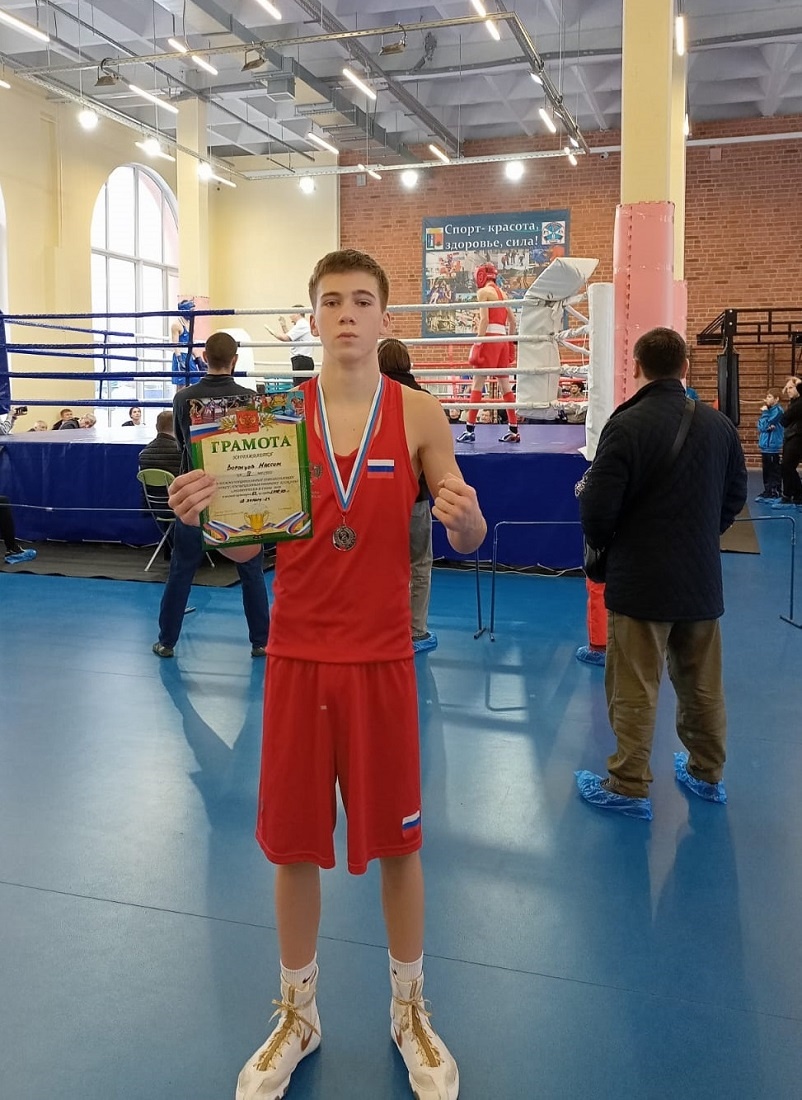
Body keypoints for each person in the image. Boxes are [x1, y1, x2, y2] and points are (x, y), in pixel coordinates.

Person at [168, 249, 486, 1100]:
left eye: (362, 300)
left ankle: (409, 1010)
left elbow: (466, 534)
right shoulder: (270, 418)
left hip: (381, 662)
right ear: (313, 317)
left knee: (400, 845)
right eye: (333, 301)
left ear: (384, 317)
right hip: (298, 660)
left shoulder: (419, 414)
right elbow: (248, 550)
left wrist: (467, 520)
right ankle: (298, 1012)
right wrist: (206, 518)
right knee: (295, 845)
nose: (347, 313)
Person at [575, 327, 747, 820]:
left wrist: (612, 544)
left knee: (634, 685)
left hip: (641, 580)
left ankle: (628, 784)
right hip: (700, 578)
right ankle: (707, 772)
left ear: (636, 367)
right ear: (685, 368)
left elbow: (597, 508)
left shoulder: (626, 424)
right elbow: (736, 494)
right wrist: (701, 533)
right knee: (702, 684)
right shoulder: (719, 427)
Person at [152, 331, 270, 659]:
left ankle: (167, 641)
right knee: (251, 571)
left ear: (204, 357)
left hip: (197, 496)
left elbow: (181, 441)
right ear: (235, 359)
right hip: (239, 496)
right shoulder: (249, 398)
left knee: (182, 571)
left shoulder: (184, 398)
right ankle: (261, 641)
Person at [378, 336, 438, 655]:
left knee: (379, 564)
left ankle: (383, 627)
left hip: (376, 499)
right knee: (420, 563)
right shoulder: (424, 400)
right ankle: (416, 630)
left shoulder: (370, 400)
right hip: (416, 498)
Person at [456, 262, 520, 444]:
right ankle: (513, 430)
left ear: (481, 275)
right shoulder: (503, 294)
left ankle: (469, 430)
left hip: (490, 339)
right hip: (503, 340)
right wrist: (510, 342)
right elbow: (513, 322)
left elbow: (484, 320)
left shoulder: (483, 292)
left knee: (477, 383)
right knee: (505, 385)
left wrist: (478, 342)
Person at [266, 306, 315, 386]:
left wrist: (272, 332)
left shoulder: (301, 324)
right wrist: (283, 325)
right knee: (300, 386)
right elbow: (291, 337)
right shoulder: (301, 324)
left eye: (292, 313)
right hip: (301, 360)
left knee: (301, 387)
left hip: (302, 360)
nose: (290, 316)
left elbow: (285, 338)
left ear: (298, 313)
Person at [773, 376, 802, 509]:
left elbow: (785, 419)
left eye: (791, 388)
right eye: (787, 388)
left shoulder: (800, 402)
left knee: (787, 466)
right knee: (787, 467)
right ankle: (795, 495)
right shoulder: (794, 402)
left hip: (798, 438)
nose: (788, 390)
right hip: (791, 436)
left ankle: (791, 496)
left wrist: (799, 383)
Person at [755, 388, 784, 501]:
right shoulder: (768, 411)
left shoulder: (778, 411)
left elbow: (768, 423)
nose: (767, 399)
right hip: (765, 446)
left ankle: (775, 491)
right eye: (767, 396)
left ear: (776, 399)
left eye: (769, 397)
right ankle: (768, 491)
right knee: (766, 470)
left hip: (772, 446)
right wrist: (766, 421)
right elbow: (761, 426)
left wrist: (765, 413)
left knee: (774, 470)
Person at [170, 299, 204, 388]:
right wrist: (179, 360)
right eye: (191, 310)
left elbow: (191, 343)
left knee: (196, 382)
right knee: (181, 385)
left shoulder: (190, 323)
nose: (193, 313)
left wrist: (198, 359)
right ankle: (179, 399)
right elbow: (175, 344)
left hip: (189, 356)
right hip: (180, 356)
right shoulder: (176, 324)